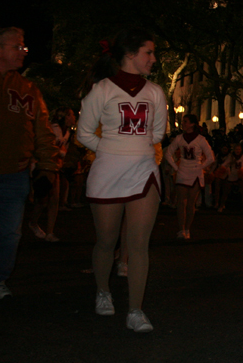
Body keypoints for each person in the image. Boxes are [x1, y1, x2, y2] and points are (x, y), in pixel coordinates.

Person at [78, 29, 166, 333]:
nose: (154, 59)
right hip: (107, 172)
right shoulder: (101, 90)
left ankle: (135, 310)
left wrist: (136, 150)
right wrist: (111, 150)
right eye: (149, 53)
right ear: (130, 54)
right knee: (106, 240)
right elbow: (84, 133)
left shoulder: (155, 92)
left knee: (138, 244)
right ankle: (103, 290)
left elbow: (157, 133)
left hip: (143, 170)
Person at [0, 27, 61, 298]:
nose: (23, 52)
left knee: (9, 234)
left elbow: (42, 131)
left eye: (24, 47)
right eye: (17, 46)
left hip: (14, 174)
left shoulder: (29, 88)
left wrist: (47, 168)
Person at [28, 107, 75, 242]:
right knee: (42, 200)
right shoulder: (54, 129)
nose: (74, 118)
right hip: (44, 166)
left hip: (55, 167)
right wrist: (60, 152)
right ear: (65, 117)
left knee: (54, 198)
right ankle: (33, 222)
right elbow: (48, 146)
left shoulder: (67, 133)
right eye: (71, 115)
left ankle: (49, 232)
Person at [165, 114, 215, 239]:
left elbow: (211, 158)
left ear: (192, 124)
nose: (183, 124)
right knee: (181, 203)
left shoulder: (201, 140)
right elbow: (168, 154)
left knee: (191, 203)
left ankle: (187, 229)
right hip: (182, 172)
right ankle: (181, 229)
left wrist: (200, 167)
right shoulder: (179, 138)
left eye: (185, 122)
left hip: (195, 173)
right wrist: (176, 168)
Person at [216, 144, 243, 213]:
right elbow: (224, 164)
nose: (237, 151)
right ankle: (221, 206)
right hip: (232, 175)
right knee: (226, 191)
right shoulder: (230, 157)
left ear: (241, 150)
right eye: (236, 149)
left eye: (239, 149)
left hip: (240, 176)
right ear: (234, 150)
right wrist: (223, 168)